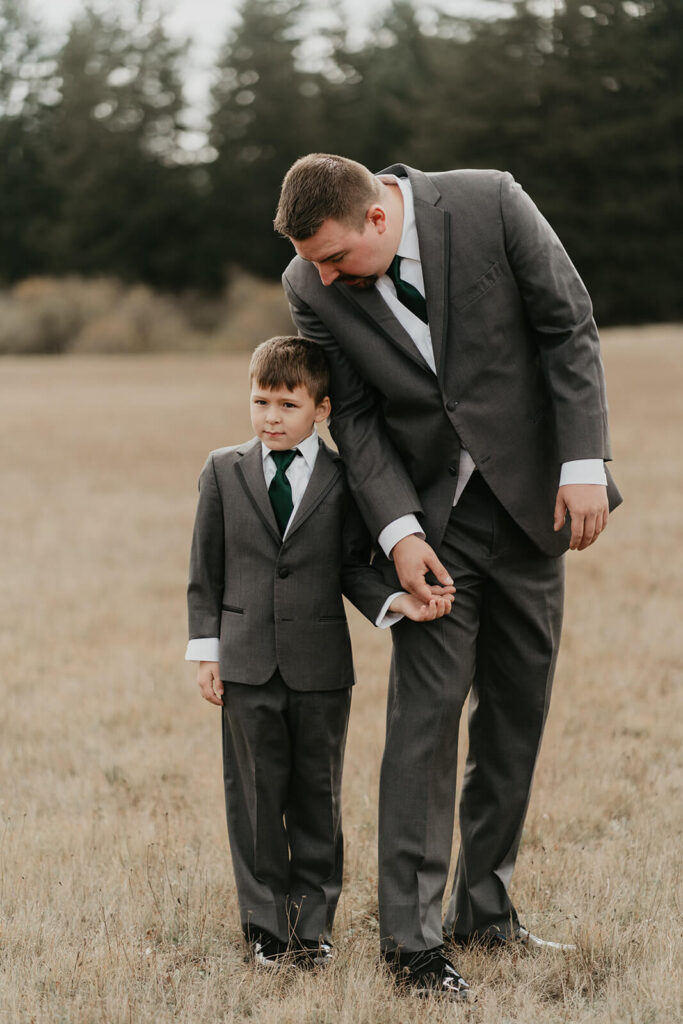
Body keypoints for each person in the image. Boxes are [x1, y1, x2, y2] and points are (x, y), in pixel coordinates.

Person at [274, 154, 622, 998]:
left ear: (378, 221)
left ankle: (485, 910)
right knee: (424, 724)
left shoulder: (490, 203)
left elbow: (565, 326)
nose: (318, 276)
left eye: (332, 257)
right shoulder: (308, 284)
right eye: (310, 261)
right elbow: (352, 416)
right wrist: (395, 532)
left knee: (515, 715)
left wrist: (583, 461)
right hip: (433, 525)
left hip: (536, 502)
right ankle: (412, 944)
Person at [185, 335, 454, 971]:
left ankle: (312, 930)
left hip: (321, 670)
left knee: (316, 797)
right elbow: (205, 573)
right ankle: (263, 932)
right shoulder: (222, 471)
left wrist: (398, 603)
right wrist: (207, 651)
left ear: (322, 409)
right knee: (252, 800)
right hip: (246, 664)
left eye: (287, 404)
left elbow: (353, 569)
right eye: (260, 401)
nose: (270, 416)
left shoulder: (342, 478)